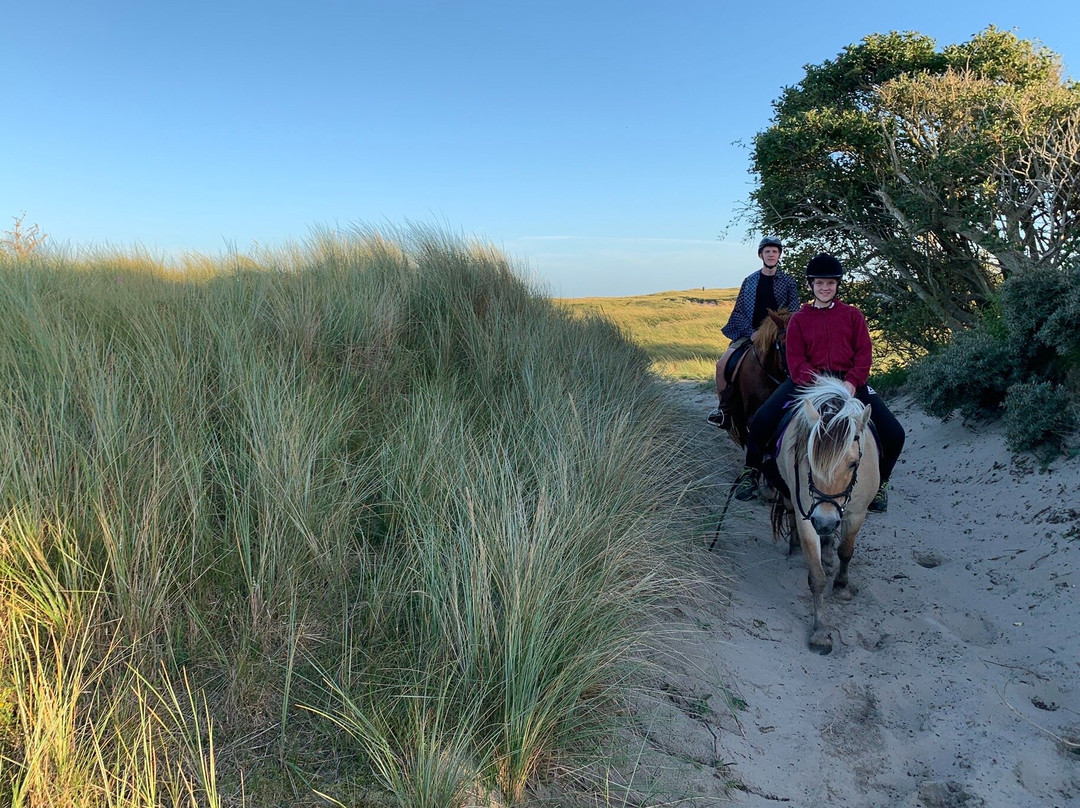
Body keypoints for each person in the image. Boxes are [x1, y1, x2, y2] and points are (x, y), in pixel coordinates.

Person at [735, 253, 905, 512]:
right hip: (807, 382)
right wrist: (813, 383)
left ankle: (881, 484)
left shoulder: (853, 316)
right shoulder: (800, 320)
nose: (825, 288)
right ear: (810, 285)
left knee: (894, 432)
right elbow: (795, 360)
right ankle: (751, 471)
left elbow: (863, 354)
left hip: (848, 382)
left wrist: (851, 382)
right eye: (819, 283)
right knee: (761, 420)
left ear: (837, 285)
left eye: (830, 283)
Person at [708, 236, 800, 428]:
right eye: (767, 251)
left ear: (779, 255)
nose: (771, 254)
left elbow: (793, 311)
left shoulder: (788, 282)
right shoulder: (749, 281)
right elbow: (739, 312)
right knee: (721, 365)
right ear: (761, 255)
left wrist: (779, 329)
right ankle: (724, 410)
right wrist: (751, 333)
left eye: (775, 251)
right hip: (751, 335)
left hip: (780, 334)